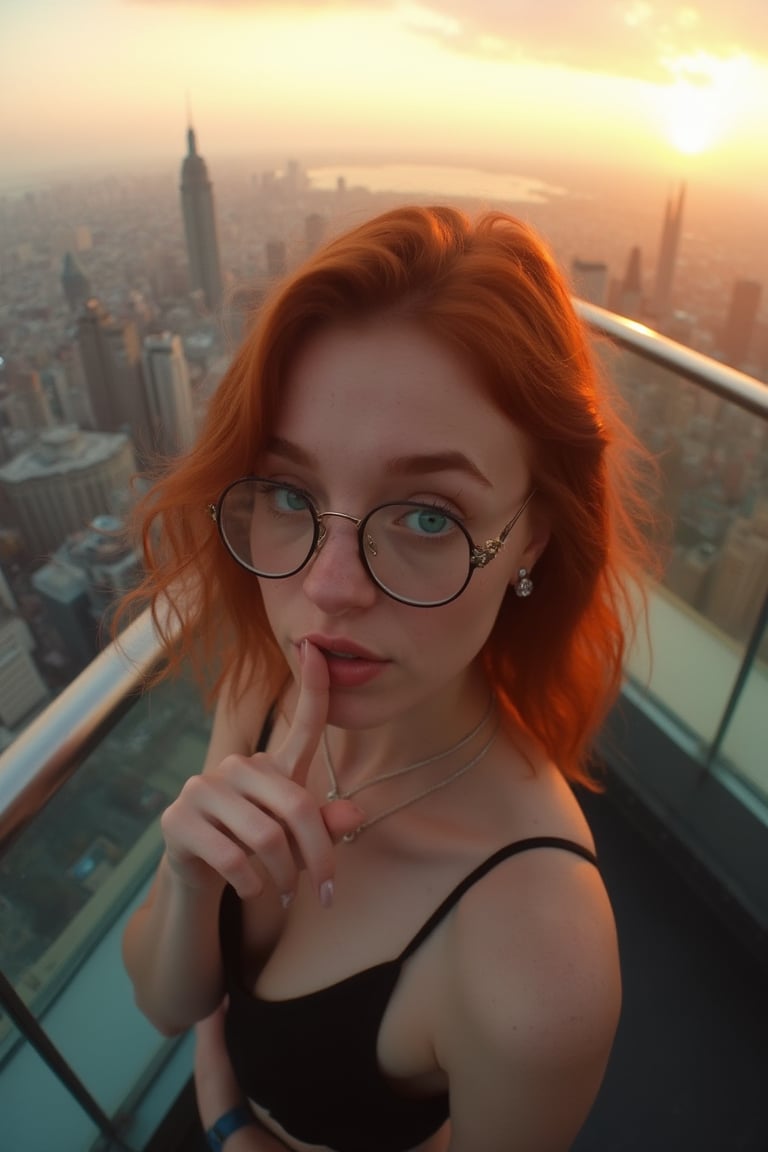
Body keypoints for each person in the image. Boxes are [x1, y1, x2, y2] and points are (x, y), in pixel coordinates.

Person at [121, 204, 653, 1152]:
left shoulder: (539, 959)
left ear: (532, 533)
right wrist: (188, 876)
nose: (325, 592)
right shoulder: (267, 688)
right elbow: (170, 1003)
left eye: (428, 517)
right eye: (291, 493)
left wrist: (236, 1128)